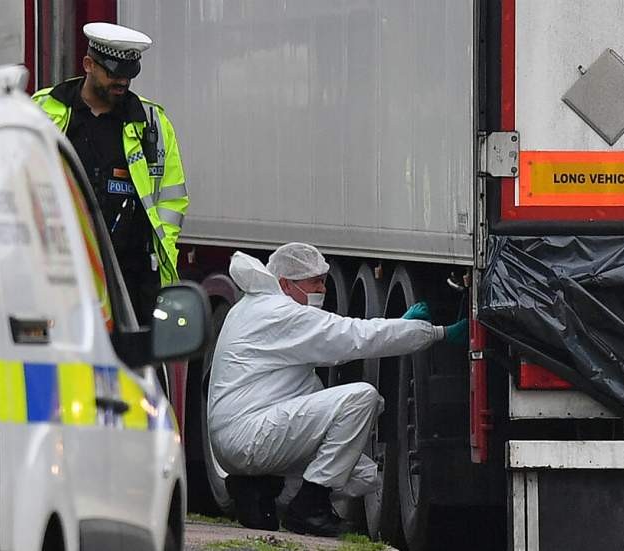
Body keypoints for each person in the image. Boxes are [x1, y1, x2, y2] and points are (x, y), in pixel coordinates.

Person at [207, 243, 468, 537]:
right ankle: (308, 508)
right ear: (285, 283)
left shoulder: (254, 306)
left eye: (323, 280)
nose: (323, 288)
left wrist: (397, 327)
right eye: (314, 281)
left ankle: (260, 491)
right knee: (360, 399)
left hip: (243, 437)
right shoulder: (280, 313)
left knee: (362, 474)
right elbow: (352, 337)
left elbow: (333, 345)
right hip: (249, 436)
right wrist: (438, 333)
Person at [32, 22, 188, 323]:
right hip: (60, 272)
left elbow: (172, 197)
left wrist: (159, 250)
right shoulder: (42, 111)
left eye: (129, 75)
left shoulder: (152, 121)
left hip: (131, 276)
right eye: (113, 73)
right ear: (88, 64)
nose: (122, 82)